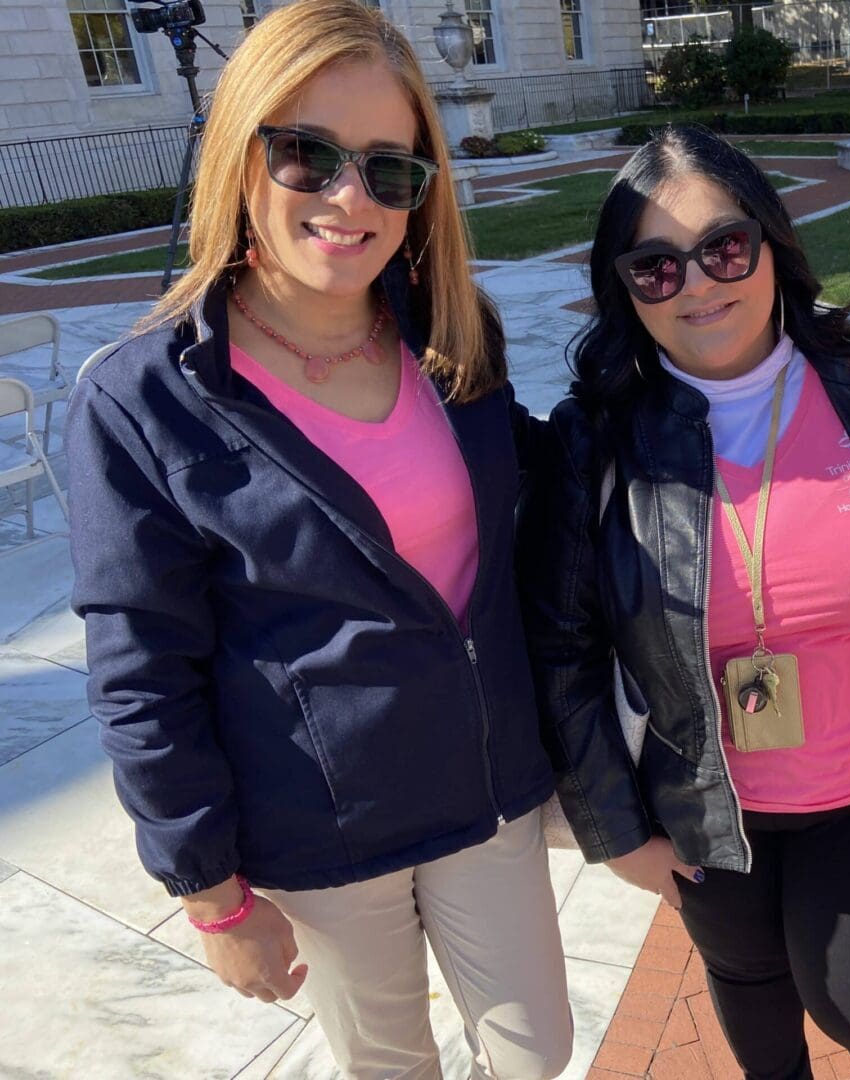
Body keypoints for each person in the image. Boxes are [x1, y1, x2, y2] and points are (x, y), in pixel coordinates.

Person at [65, 3, 571, 1077]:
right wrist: (208, 893)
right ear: (242, 154)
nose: (352, 199)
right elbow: (143, 672)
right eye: (309, 154)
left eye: (392, 170)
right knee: (391, 1067)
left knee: (538, 1052)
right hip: (324, 830)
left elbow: (543, 477)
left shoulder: (447, 328)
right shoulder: (145, 399)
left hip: (486, 790)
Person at [517, 124, 850, 1080]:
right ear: (626, 290)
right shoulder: (594, 441)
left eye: (724, 246)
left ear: (772, 242)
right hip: (701, 800)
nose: (698, 283)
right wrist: (617, 833)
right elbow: (559, 649)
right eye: (656, 268)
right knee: (748, 983)